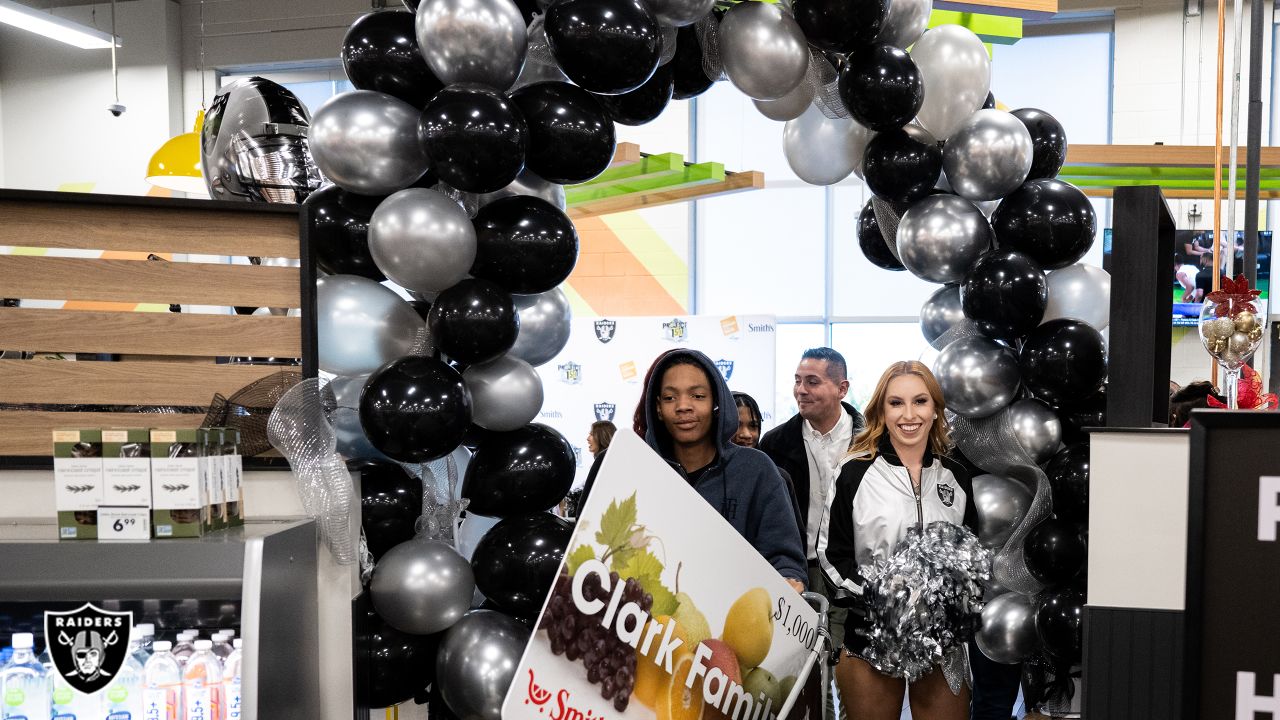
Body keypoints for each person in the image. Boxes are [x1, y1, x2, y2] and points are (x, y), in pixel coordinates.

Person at [817, 361, 979, 720]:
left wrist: (960, 597)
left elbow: (971, 552)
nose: (909, 415)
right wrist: (879, 596)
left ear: (935, 409)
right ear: (881, 410)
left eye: (920, 401)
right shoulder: (854, 473)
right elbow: (830, 556)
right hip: (871, 635)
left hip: (942, 642)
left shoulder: (957, 476)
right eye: (896, 403)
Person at [642, 349, 807, 591]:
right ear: (658, 407)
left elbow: (786, 559)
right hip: (648, 620)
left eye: (698, 396)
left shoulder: (757, 470)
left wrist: (789, 580)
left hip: (735, 621)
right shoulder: (641, 470)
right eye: (669, 398)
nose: (683, 406)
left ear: (716, 403)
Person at [759, 348, 864, 647]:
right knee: (807, 670)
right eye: (797, 381)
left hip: (852, 571)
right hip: (798, 573)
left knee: (850, 664)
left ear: (842, 388)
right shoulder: (775, 443)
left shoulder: (871, 443)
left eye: (812, 382)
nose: (800, 391)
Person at [733, 391, 805, 536]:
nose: (746, 434)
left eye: (753, 426)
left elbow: (794, 540)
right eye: (737, 425)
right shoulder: (708, 476)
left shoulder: (777, 478)